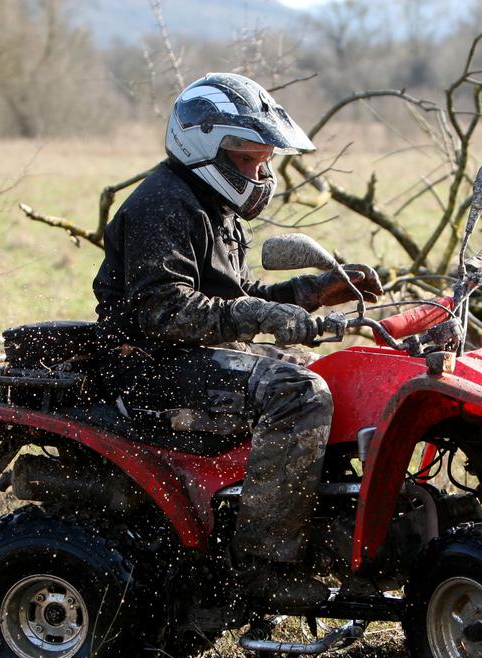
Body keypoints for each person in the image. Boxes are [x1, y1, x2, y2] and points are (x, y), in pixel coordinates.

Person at [91, 73, 381, 608]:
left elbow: (234, 293)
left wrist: (312, 292)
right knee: (298, 392)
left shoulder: (211, 204)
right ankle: (262, 563)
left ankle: (324, 521)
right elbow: (164, 310)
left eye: (263, 162)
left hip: (193, 356)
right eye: (248, 161)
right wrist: (262, 313)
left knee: (332, 371)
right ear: (207, 148)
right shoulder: (163, 204)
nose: (260, 174)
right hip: (152, 365)